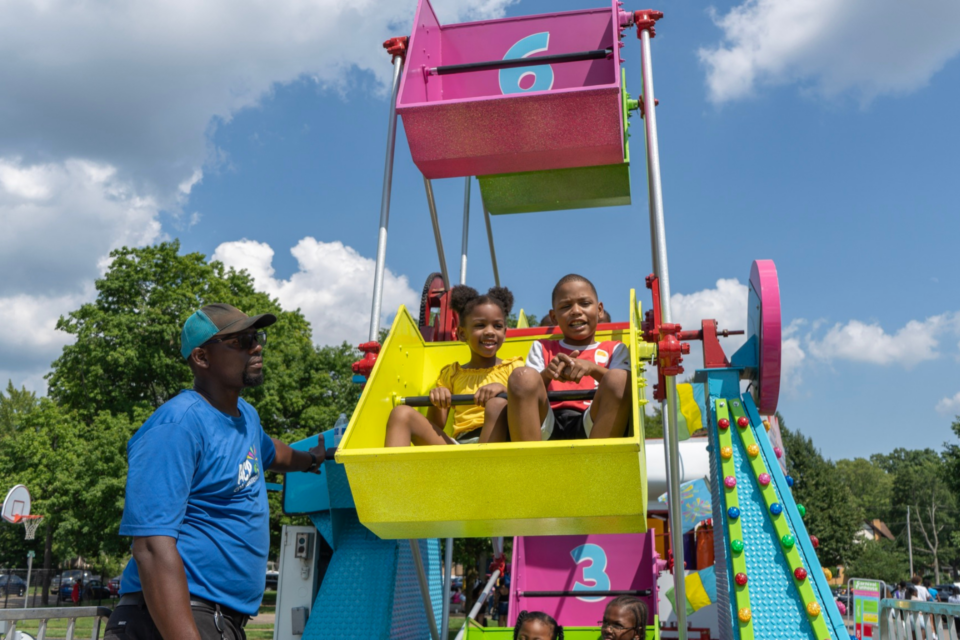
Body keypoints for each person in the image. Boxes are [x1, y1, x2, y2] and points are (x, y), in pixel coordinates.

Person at [105, 303, 326, 640]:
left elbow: (272, 452)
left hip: (220, 621)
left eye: (256, 336)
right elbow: (150, 547)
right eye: (240, 341)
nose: (256, 346)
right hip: (170, 620)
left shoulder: (246, 418)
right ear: (202, 358)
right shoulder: (177, 425)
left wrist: (310, 460)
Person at [385, 286, 522, 446]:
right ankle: (393, 471)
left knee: (496, 405)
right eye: (480, 325)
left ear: (505, 333)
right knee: (401, 413)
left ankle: (485, 466)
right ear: (462, 334)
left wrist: (505, 391)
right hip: (461, 445)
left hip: (500, 442)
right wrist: (438, 399)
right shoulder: (452, 374)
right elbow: (435, 427)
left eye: (497, 326)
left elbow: (526, 407)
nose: (490, 331)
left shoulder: (515, 369)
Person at [507, 274, 631, 441]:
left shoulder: (615, 348)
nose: (576, 311)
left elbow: (622, 389)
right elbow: (527, 389)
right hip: (547, 422)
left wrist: (591, 368)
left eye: (585, 304)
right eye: (565, 306)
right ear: (553, 317)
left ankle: (600, 462)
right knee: (522, 376)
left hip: (593, 422)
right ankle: (529, 463)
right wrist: (548, 374)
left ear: (599, 309)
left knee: (619, 377)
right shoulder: (541, 347)